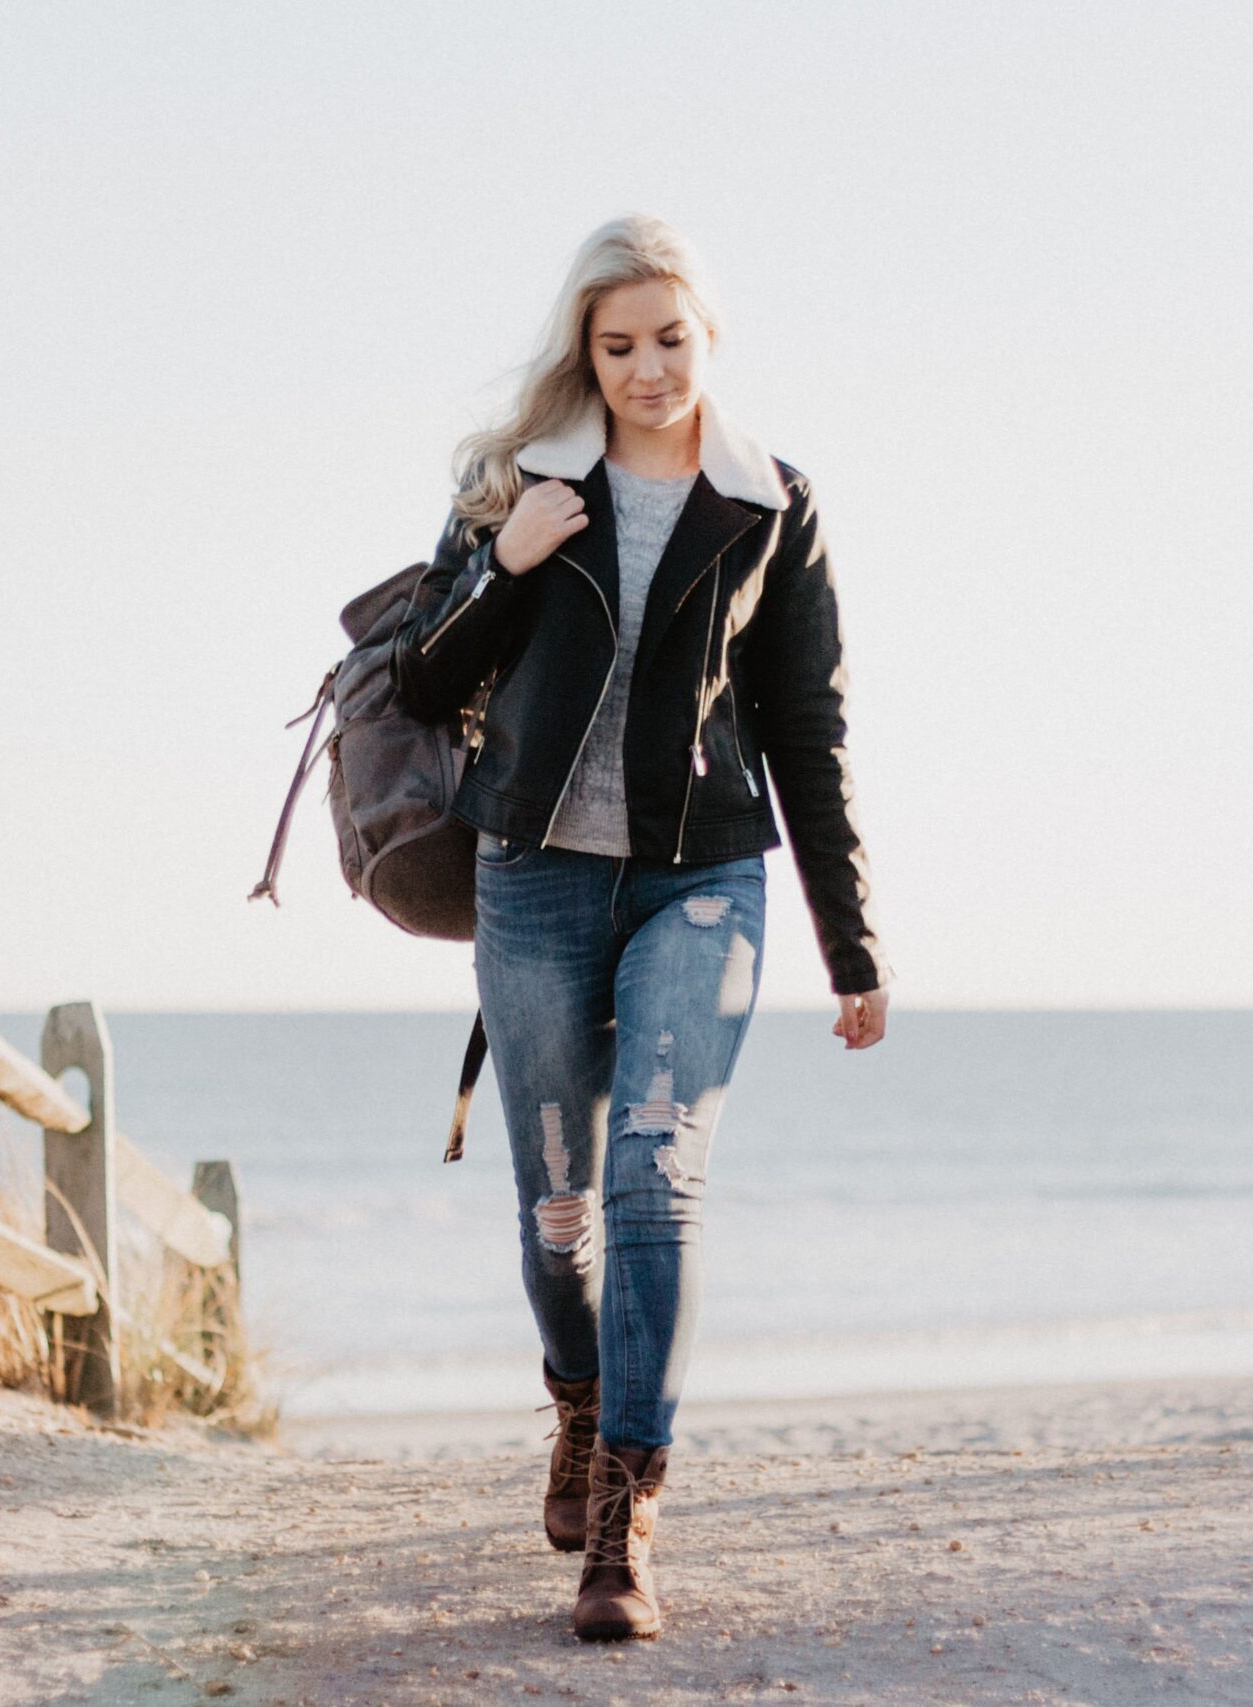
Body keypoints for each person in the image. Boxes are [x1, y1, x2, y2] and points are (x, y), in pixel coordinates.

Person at [390, 213, 890, 1642]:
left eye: (672, 338)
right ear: (586, 354)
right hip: (536, 879)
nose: (650, 368)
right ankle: (577, 1399)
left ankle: (628, 1517)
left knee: (655, 1180)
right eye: (620, 346)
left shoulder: (772, 503)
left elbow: (808, 726)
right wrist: (513, 567)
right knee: (560, 1217)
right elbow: (423, 688)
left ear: (708, 337)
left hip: (704, 880)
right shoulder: (518, 485)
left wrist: (851, 945)